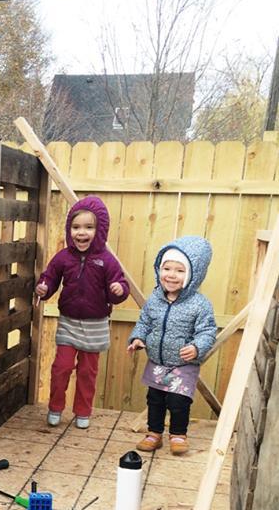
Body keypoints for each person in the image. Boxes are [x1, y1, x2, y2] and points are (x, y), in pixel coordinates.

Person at [35, 195, 129, 428]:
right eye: (76, 227)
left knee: (88, 372)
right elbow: (50, 278)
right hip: (69, 321)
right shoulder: (63, 257)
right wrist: (43, 288)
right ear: (69, 230)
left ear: (100, 230)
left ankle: (83, 411)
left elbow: (120, 284)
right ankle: (55, 407)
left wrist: (119, 290)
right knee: (62, 367)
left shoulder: (107, 260)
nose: (81, 233)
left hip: (95, 323)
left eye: (89, 227)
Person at [127, 237, 216, 456]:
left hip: (183, 364)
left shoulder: (199, 304)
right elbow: (145, 322)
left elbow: (207, 331)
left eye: (179, 270)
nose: (171, 275)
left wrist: (196, 347)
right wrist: (138, 338)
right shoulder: (155, 299)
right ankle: (154, 433)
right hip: (157, 361)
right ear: (159, 269)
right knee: (155, 400)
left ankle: (178, 435)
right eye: (166, 268)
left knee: (178, 402)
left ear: (193, 275)